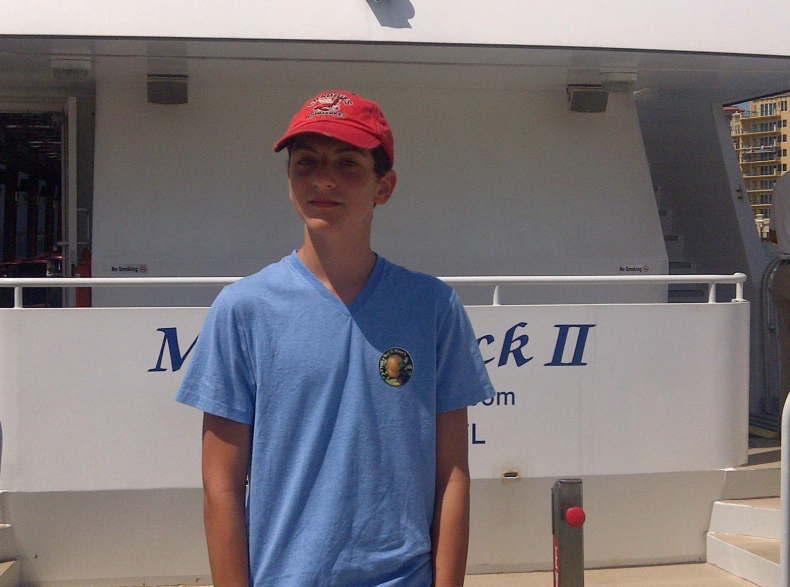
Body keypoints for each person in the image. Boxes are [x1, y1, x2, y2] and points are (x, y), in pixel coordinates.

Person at [176, 90, 496, 587]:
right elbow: (220, 486)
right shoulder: (242, 309)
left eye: (347, 163)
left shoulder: (433, 307)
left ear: (383, 186)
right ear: (288, 182)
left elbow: (451, 474)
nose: (322, 179)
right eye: (306, 163)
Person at [771, 171, 790, 409]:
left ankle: (786, 430)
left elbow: (774, 234)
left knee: (788, 360)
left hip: (784, 274)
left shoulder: (783, 182)